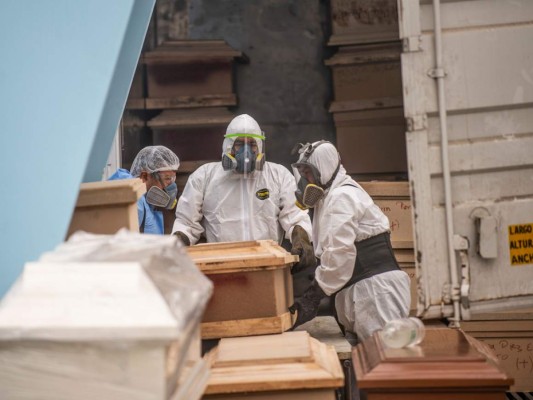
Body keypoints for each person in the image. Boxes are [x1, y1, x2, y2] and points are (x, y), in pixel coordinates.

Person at [289, 140, 411, 343]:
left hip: (376, 293)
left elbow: (339, 252)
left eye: (308, 174)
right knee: (367, 364)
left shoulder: (342, 196)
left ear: (324, 169)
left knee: (387, 362)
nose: (305, 181)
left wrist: (314, 294)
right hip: (362, 292)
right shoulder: (329, 199)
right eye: (302, 175)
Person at [172, 114, 316, 277]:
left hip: (267, 266)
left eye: (252, 144)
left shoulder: (278, 175)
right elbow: (187, 222)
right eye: (240, 144)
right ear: (229, 146)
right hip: (221, 268)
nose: (246, 152)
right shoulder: (204, 177)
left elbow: (295, 216)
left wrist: (302, 239)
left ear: (260, 147)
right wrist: (177, 244)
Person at [109, 145, 180, 235]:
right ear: (144, 176)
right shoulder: (133, 201)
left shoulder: (146, 203)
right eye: (167, 178)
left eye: (173, 179)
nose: (171, 186)